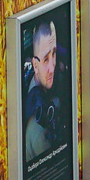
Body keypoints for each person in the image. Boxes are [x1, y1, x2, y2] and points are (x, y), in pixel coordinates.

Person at [23, 18, 67, 161]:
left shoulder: (46, 77)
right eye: (46, 59)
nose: (52, 67)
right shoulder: (35, 114)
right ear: (35, 65)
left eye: (53, 54)